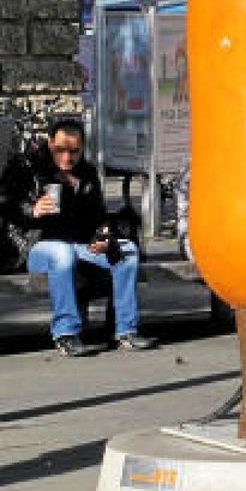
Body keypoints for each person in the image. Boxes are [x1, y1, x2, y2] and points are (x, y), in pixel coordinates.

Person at [3, 119, 156, 356]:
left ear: (83, 148)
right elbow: (7, 205)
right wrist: (30, 210)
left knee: (126, 251)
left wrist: (102, 236)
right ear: (50, 142)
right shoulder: (28, 167)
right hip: (35, 245)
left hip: (79, 244)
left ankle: (126, 331)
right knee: (61, 253)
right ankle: (65, 333)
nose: (67, 158)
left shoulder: (87, 173)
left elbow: (98, 217)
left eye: (74, 151)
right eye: (60, 150)